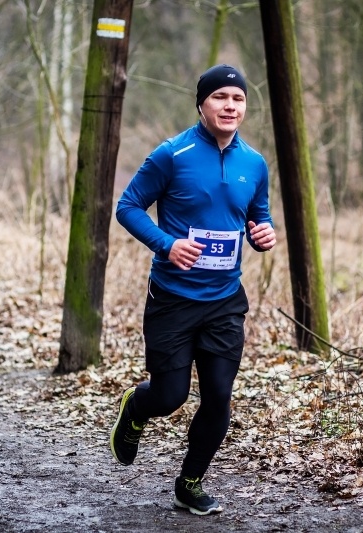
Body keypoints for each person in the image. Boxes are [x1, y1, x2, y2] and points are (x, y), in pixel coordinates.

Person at [110, 64, 277, 515]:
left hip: (225, 299)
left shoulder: (254, 163)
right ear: (202, 104)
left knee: (219, 394)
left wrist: (264, 233)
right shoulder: (172, 154)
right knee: (171, 396)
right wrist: (167, 245)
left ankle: (191, 482)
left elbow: (258, 215)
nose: (230, 105)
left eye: (238, 98)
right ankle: (136, 408)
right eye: (220, 97)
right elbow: (128, 207)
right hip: (173, 298)